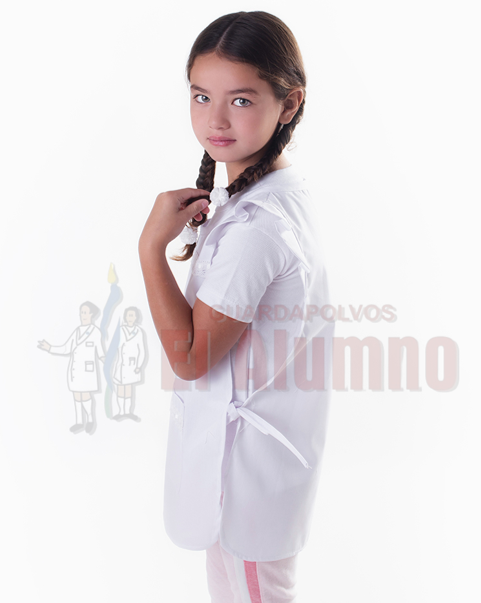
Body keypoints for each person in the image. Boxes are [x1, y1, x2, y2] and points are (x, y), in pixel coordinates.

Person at [139, 11, 335, 602]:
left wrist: (150, 250)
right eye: (201, 96)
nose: (215, 119)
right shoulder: (276, 194)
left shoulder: (256, 226)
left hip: (244, 479)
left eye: (242, 100)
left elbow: (191, 358)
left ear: (289, 103)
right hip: (244, 473)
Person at [38, 302, 105, 435]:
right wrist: (50, 348)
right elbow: (66, 348)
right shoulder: (77, 331)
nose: (82, 315)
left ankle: (90, 420)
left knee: (85, 394)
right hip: (75, 369)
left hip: (87, 370)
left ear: (91, 314)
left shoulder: (95, 332)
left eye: (85, 312)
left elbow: (100, 352)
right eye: (81, 312)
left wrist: (109, 363)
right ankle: (79, 422)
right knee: (77, 395)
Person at [112, 306, 145, 421]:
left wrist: (139, 365)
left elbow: (141, 350)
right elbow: (115, 346)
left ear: (136, 317)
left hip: (132, 365)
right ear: (125, 317)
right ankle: (121, 412)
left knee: (129, 389)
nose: (130, 318)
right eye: (128, 315)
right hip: (121, 364)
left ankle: (128, 412)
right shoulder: (121, 330)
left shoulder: (139, 332)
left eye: (132, 315)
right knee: (121, 388)